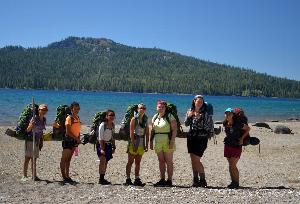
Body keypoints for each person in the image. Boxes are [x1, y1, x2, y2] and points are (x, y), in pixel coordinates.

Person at [184, 95, 214, 187]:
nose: (199, 103)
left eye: (201, 101)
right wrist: (189, 117)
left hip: (201, 138)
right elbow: (186, 124)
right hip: (191, 137)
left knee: (196, 160)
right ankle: (195, 179)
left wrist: (207, 132)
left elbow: (211, 127)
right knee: (193, 159)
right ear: (194, 101)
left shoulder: (206, 114)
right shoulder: (190, 111)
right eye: (198, 101)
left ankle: (203, 179)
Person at [150, 100, 177, 187]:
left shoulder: (170, 116)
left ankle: (169, 180)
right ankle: (162, 179)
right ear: (156, 107)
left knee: (169, 161)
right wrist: (150, 141)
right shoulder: (154, 117)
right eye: (159, 107)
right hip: (157, 141)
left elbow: (174, 130)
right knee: (161, 161)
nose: (160, 108)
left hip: (167, 141)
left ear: (165, 108)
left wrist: (172, 141)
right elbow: (153, 130)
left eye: (162, 107)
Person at [223, 108, 250, 189]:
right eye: (226, 113)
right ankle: (233, 182)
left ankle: (236, 183)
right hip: (227, 145)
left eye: (229, 113)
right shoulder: (225, 123)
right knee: (231, 165)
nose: (227, 115)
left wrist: (242, 138)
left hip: (236, 145)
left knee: (232, 164)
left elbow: (248, 129)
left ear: (233, 114)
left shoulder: (238, 123)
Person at [21, 104, 48, 182]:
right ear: (39, 110)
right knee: (27, 158)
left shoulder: (44, 119)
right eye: (42, 110)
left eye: (45, 110)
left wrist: (41, 140)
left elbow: (41, 131)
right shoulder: (34, 118)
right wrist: (31, 125)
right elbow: (27, 130)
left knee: (34, 159)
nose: (43, 111)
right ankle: (24, 175)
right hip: (30, 139)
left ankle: (34, 175)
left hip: (37, 140)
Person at [125, 103, 149, 186]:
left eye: (144, 108)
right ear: (137, 109)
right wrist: (132, 144)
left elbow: (147, 132)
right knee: (130, 161)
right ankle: (128, 178)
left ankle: (137, 178)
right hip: (134, 140)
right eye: (140, 108)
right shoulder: (134, 119)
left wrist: (146, 144)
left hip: (142, 141)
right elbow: (131, 132)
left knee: (138, 162)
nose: (142, 109)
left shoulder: (145, 119)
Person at [60, 102, 81, 184]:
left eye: (78, 108)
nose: (77, 110)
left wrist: (78, 139)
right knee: (64, 159)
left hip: (74, 141)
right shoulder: (69, 118)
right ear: (71, 109)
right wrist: (77, 138)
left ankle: (67, 176)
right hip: (68, 141)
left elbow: (77, 130)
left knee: (68, 160)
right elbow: (67, 132)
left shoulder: (77, 117)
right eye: (75, 109)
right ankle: (64, 176)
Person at [96, 109, 116, 185]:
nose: (112, 117)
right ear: (106, 116)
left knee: (106, 162)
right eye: (110, 115)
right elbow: (100, 138)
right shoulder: (102, 125)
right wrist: (101, 148)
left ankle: (103, 178)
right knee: (102, 161)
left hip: (108, 145)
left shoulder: (113, 125)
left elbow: (113, 137)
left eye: (113, 115)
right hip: (102, 144)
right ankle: (101, 179)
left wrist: (114, 147)